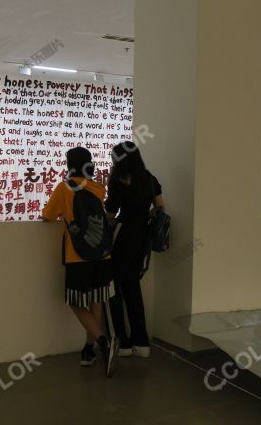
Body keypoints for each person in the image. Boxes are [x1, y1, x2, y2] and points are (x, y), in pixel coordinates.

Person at [42, 146, 118, 377]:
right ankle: (89, 349)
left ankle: (104, 342)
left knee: (75, 301)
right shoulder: (97, 188)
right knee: (97, 299)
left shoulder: (64, 188)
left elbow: (47, 215)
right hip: (103, 254)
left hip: (78, 255)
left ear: (69, 164)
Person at [105, 141, 165, 358]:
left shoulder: (119, 179)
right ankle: (142, 342)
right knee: (132, 286)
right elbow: (160, 208)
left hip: (123, 234)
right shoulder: (150, 178)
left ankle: (123, 343)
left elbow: (111, 212)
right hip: (143, 236)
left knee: (113, 286)